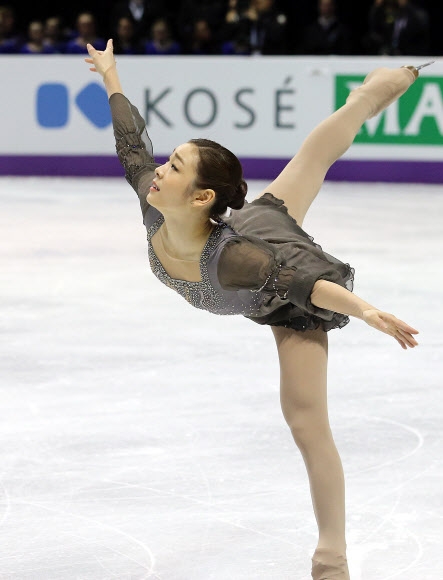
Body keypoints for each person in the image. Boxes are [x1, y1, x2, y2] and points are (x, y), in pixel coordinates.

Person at [84, 39, 420, 579]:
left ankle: (331, 554)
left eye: (174, 166)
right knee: (309, 161)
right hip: (257, 227)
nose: (160, 172)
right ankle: (371, 93)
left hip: (280, 289)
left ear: (201, 198)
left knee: (306, 420)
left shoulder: (240, 259)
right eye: (168, 162)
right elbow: (132, 146)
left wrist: (366, 311)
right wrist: (112, 78)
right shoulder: (155, 203)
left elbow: (304, 284)